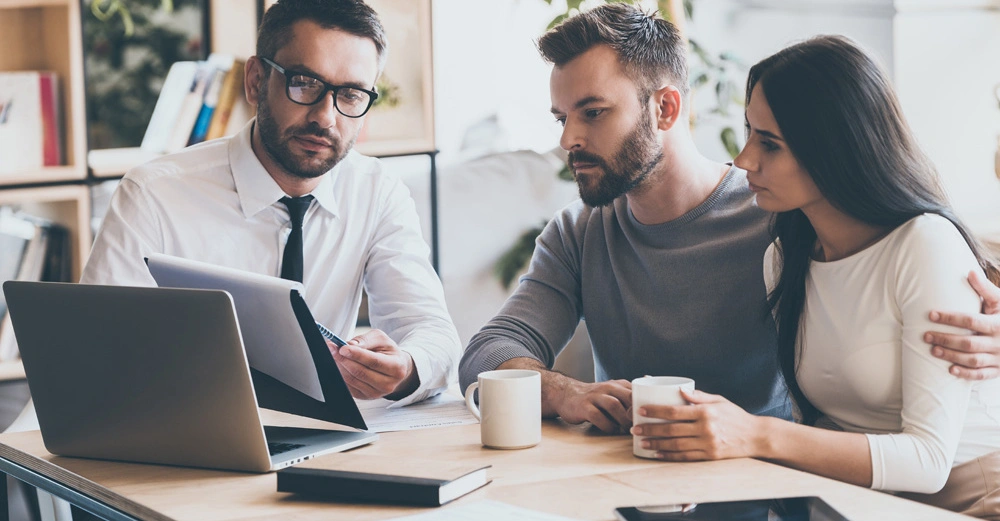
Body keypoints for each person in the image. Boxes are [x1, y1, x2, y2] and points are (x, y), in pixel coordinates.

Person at [458, 3, 1000, 434]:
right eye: (562, 117)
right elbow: (487, 353)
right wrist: (563, 390)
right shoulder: (577, 234)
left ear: (666, 109)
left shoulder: (780, 210)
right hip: (631, 491)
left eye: (593, 113)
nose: (568, 139)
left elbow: (907, 246)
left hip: (767, 491)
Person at [634, 36, 1000, 518]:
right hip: (859, 503)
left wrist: (753, 434)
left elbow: (929, 462)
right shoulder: (785, 259)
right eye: (750, 134)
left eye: (769, 143)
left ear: (835, 148)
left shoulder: (924, 245)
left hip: (969, 498)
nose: (744, 161)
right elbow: (820, 432)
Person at [81, 0, 460, 406]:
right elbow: (97, 354)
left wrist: (405, 367)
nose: (326, 117)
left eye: (350, 95)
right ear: (256, 80)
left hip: (324, 443)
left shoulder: (377, 191)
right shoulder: (154, 195)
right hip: (182, 426)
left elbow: (431, 331)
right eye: (305, 83)